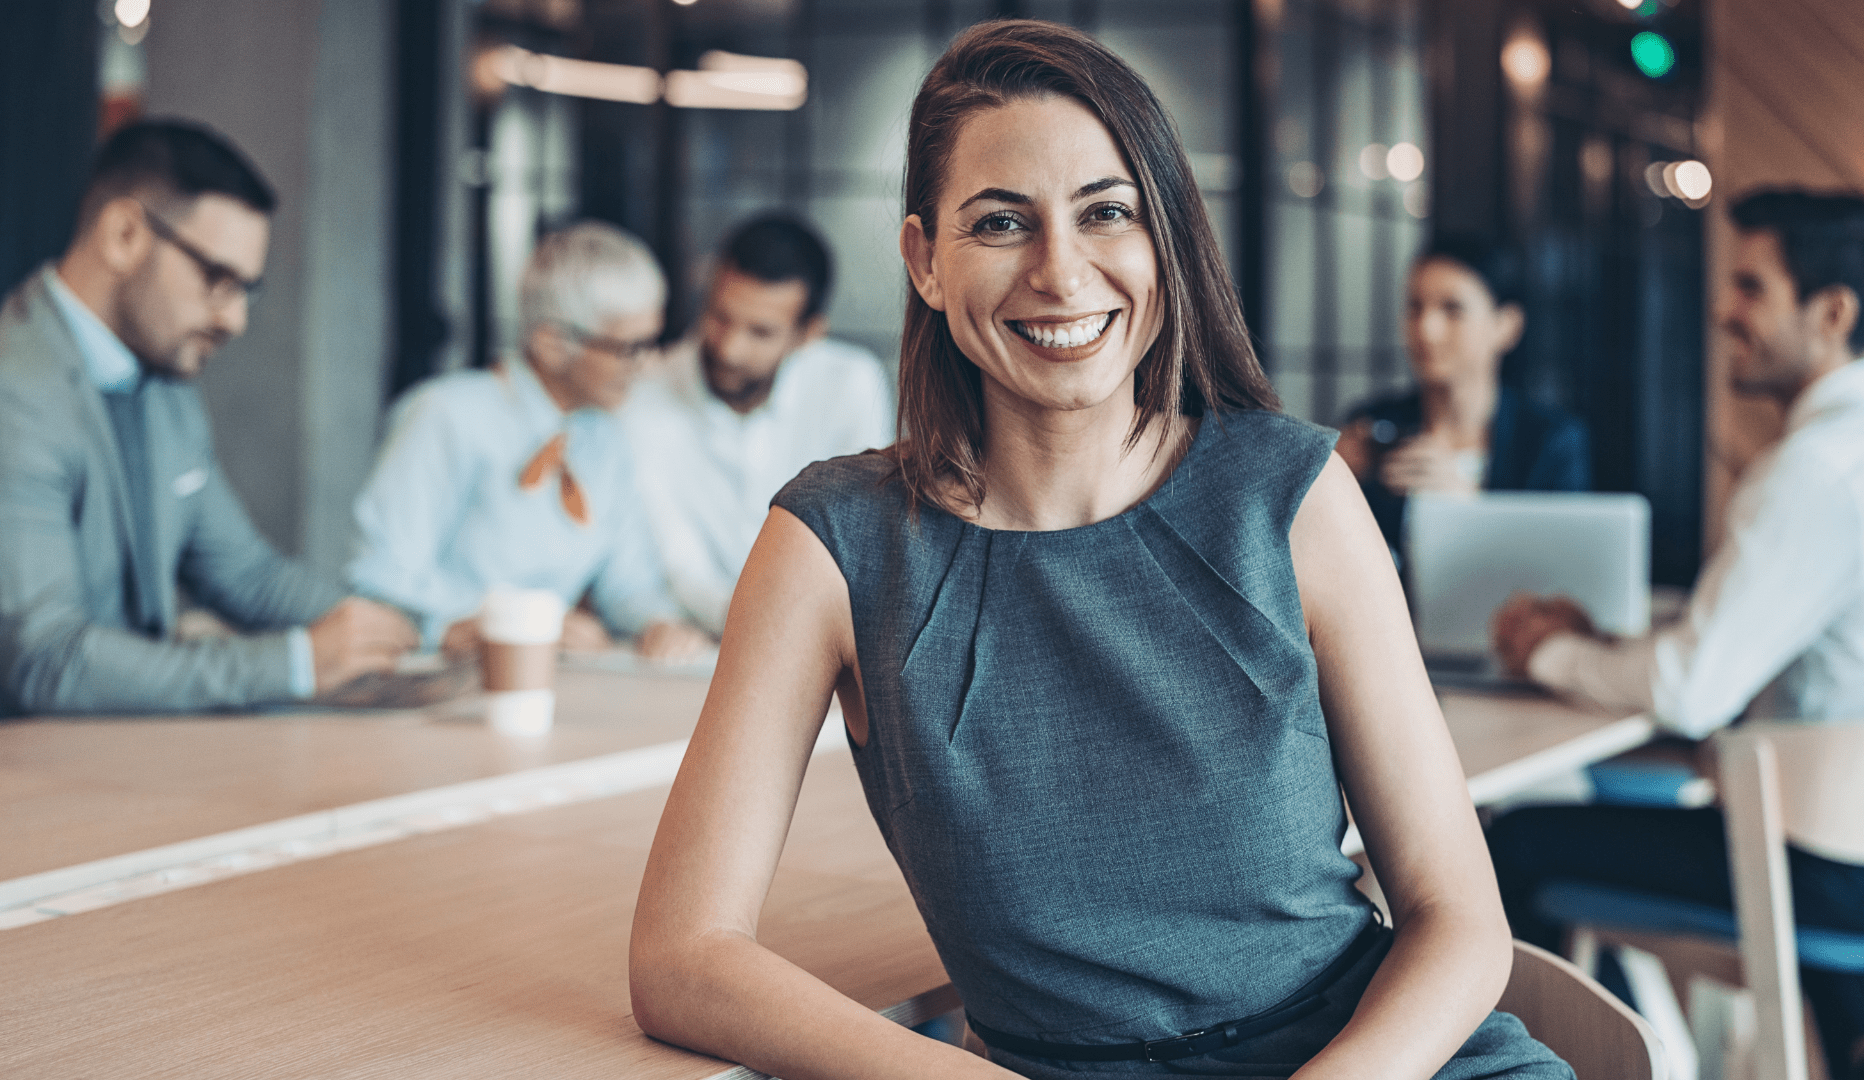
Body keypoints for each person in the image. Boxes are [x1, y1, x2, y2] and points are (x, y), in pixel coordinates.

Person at [630, 21, 1565, 1080]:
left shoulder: (1292, 495)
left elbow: (1459, 921)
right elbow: (682, 956)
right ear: (923, 262)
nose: (1060, 273)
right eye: (999, 223)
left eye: (1106, 212)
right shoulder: (832, 546)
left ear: (1162, 239)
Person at [1489, 190, 1864, 1080]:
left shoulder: (1816, 468)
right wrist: (1610, 647)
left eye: (1751, 287)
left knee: (1512, 847)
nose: (1724, 309)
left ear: (1834, 312)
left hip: (1825, 867)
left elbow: (1696, 689)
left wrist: (1545, 652)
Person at [0, 120, 417, 726]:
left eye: (248, 290)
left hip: (114, 767)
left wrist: (411, 636)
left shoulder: (164, 387)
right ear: (123, 235)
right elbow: (49, 663)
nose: (236, 320)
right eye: (218, 281)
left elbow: (248, 576)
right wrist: (295, 664)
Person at [349, 221, 709, 662]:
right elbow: (380, 579)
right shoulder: (446, 415)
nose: (648, 366)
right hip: (439, 681)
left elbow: (627, 582)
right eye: (627, 348)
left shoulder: (606, 437)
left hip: (553, 680)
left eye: (652, 343)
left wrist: (657, 624)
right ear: (552, 344)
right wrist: (486, 625)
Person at [619, 214, 893, 635]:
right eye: (719, 317)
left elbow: (861, 541)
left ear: (807, 334)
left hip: (820, 638)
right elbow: (676, 561)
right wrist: (762, 632)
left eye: (760, 332)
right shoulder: (644, 395)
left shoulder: (850, 385)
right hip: (692, 641)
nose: (729, 348)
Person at [1336, 236, 1590, 559]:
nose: (1426, 329)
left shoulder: (1551, 441)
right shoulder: (1373, 426)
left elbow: (1562, 565)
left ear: (1506, 325)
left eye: (1452, 310)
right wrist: (1331, 481)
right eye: (1415, 307)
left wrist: (1467, 508)